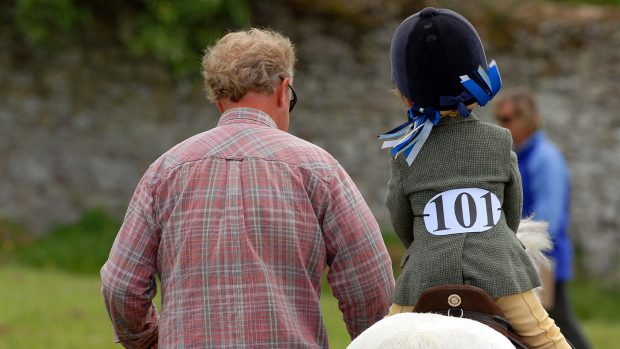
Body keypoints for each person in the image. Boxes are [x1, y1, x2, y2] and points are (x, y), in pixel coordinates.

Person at [101, 28, 395, 349]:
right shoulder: (320, 170)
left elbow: (122, 287)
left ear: (217, 100)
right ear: (284, 90)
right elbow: (371, 284)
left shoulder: (165, 172)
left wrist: (148, 340)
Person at [379, 7, 571, 349]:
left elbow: (401, 221)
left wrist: (427, 247)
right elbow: (511, 213)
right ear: (478, 80)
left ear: (407, 94)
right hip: (501, 273)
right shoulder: (500, 140)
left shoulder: (405, 153)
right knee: (551, 341)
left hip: (424, 275)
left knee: (382, 339)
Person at [494, 88, 591, 349]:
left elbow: (549, 218)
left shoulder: (544, 158)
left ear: (526, 119)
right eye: (499, 119)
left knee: (556, 326)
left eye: (507, 119)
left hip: (544, 256)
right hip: (531, 254)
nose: (501, 126)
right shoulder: (522, 156)